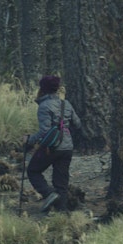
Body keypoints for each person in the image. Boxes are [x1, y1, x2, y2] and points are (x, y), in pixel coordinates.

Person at [24, 75, 81, 213]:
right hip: (67, 147)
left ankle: (49, 194)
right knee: (61, 182)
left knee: (33, 171)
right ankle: (62, 213)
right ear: (57, 89)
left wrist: (29, 139)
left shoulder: (44, 106)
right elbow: (77, 124)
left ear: (42, 89)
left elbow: (45, 132)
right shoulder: (65, 104)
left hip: (52, 148)